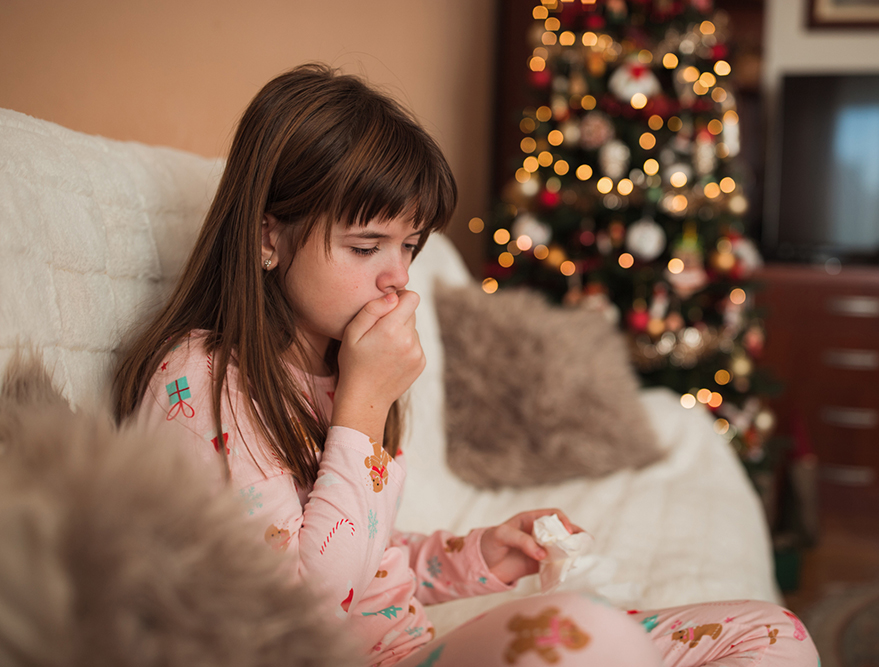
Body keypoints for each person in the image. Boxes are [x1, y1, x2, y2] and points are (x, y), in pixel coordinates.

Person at [113, 63, 818, 667]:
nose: (398, 280)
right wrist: (363, 406)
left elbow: (371, 561)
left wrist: (477, 553)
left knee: (771, 633)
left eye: (410, 246)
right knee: (587, 632)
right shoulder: (203, 379)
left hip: (409, 646)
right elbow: (303, 602)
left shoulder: (336, 365)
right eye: (366, 247)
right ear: (269, 238)